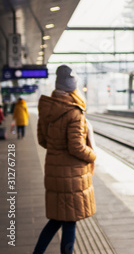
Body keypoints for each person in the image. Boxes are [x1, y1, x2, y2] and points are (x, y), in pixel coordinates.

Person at [33, 65, 96, 254]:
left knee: (58, 219)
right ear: (72, 87)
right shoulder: (74, 112)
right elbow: (76, 147)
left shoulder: (47, 109)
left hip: (54, 172)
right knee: (69, 220)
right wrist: (92, 155)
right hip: (72, 176)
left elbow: (42, 140)